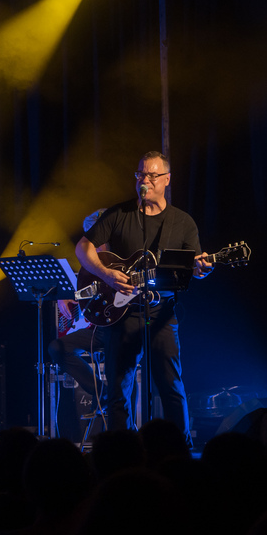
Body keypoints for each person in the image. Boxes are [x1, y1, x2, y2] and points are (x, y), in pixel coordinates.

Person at [74, 151, 213, 439]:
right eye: (140, 174)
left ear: (167, 179)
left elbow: (193, 267)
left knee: (170, 385)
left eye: (152, 175)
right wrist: (105, 274)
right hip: (122, 315)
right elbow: (83, 247)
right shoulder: (119, 214)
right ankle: (121, 449)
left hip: (161, 313)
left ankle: (180, 447)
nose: (144, 180)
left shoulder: (182, 222)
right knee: (117, 389)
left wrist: (203, 270)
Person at [47, 208, 108, 429]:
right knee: (57, 348)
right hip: (98, 329)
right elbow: (83, 290)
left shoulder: (123, 259)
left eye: (98, 240)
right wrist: (64, 296)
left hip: (121, 327)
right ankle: (101, 392)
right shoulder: (89, 263)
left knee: (122, 364)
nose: (94, 246)